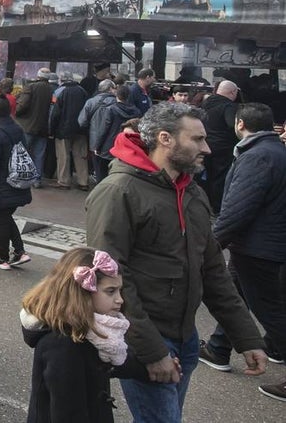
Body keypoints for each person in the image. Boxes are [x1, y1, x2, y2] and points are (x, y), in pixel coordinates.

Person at [86, 102, 268, 421]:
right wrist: (152, 351)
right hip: (146, 339)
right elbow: (111, 280)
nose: (207, 148)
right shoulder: (118, 191)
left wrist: (246, 337)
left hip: (185, 338)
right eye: (197, 139)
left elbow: (212, 271)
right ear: (165, 138)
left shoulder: (191, 192)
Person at [201, 102, 286, 401]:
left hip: (258, 249)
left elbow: (237, 210)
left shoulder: (257, 157)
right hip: (261, 245)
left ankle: (273, 347)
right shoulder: (276, 151)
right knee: (233, 297)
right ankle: (219, 348)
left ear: (239, 124)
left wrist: (208, 248)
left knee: (272, 312)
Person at [20, 247, 147, 422]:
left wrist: (150, 370)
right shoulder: (63, 344)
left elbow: (114, 361)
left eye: (120, 290)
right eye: (111, 291)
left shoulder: (92, 330)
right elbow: (68, 413)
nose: (120, 299)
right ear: (82, 292)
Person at [0, 95, 33, 270]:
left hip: (2, 182)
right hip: (18, 180)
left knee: (1, 219)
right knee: (5, 216)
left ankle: (3, 256)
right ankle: (19, 252)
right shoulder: (18, 129)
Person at [201, 79, 240, 213]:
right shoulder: (229, 106)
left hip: (205, 145)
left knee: (206, 176)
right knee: (220, 178)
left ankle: (205, 205)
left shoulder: (205, 103)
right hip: (223, 149)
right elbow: (231, 125)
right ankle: (217, 208)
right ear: (233, 92)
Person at [89, 85, 140, 184]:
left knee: (102, 176)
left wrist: (97, 146)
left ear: (117, 95)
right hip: (126, 147)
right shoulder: (137, 112)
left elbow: (103, 130)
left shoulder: (110, 110)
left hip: (108, 147)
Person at [50, 72, 90, 190]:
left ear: (62, 80)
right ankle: (83, 182)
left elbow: (55, 113)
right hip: (80, 129)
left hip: (63, 129)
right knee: (80, 155)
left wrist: (52, 129)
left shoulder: (59, 91)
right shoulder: (83, 91)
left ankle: (64, 181)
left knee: (63, 156)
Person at [15, 68, 54, 183]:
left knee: (23, 152)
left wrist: (15, 111)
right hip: (43, 127)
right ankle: (37, 180)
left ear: (38, 76)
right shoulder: (51, 89)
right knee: (39, 154)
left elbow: (22, 105)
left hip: (28, 125)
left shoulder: (31, 87)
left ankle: (22, 176)